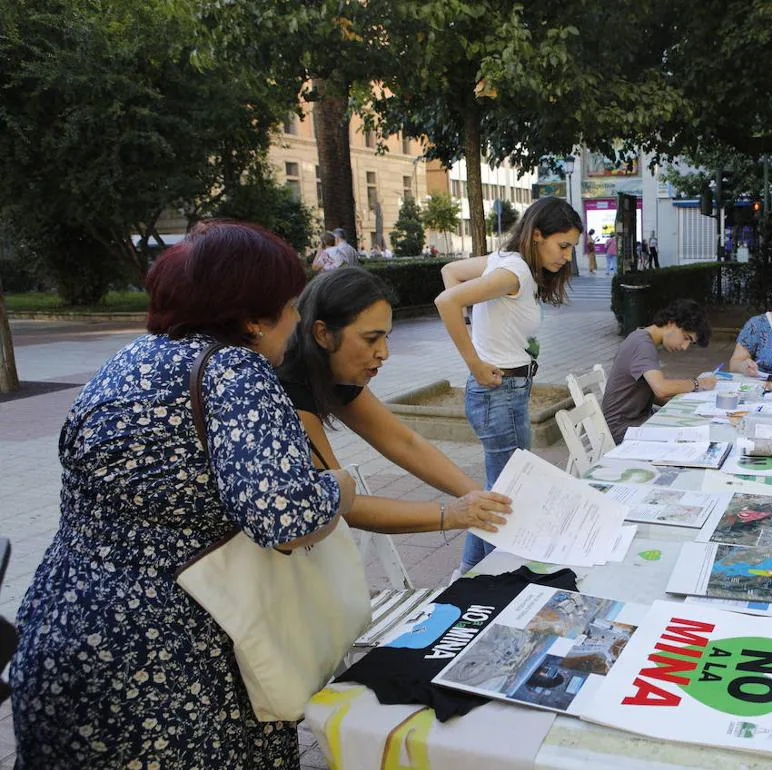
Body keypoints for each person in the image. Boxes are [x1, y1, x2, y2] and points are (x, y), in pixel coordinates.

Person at [10, 220, 358, 766]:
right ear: (250, 317)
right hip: (169, 656)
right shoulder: (234, 370)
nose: (295, 320)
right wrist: (339, 488)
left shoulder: (130, 360)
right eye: (289, 305)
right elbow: (286, 520)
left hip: (63, 627)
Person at [278, 267, 512, 536]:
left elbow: (404, 442)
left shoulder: (335, 372)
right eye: (370, 339)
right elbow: (337, 504)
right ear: (323, 334)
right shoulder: (290, 390)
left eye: (385, 337)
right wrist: (451, 514)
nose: (384, 353)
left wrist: (483, 500)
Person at [434, 197, 583, 572]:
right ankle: (479, 581)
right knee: (504, 500)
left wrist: (475, 332)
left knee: (496, 495)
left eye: (571, 248)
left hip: (503, 394)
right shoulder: (512, 272)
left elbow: (450, 270)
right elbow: (446, 298)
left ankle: (466, 578)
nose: (567, 256)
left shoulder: (504, 262)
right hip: (499, 395)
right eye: (562, 245)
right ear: (536, 236)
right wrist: (475, 361)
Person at [600, 299, 716, 442]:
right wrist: (698, 383)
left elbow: (652, 393)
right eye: (686, 338)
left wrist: (685, 404)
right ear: (671, 323)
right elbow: (661, 388)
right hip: (622, 429)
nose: (685, 347)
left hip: (637, 419)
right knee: (691, 437)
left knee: (692, 423)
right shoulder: (642, 345)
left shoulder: (642, 338)